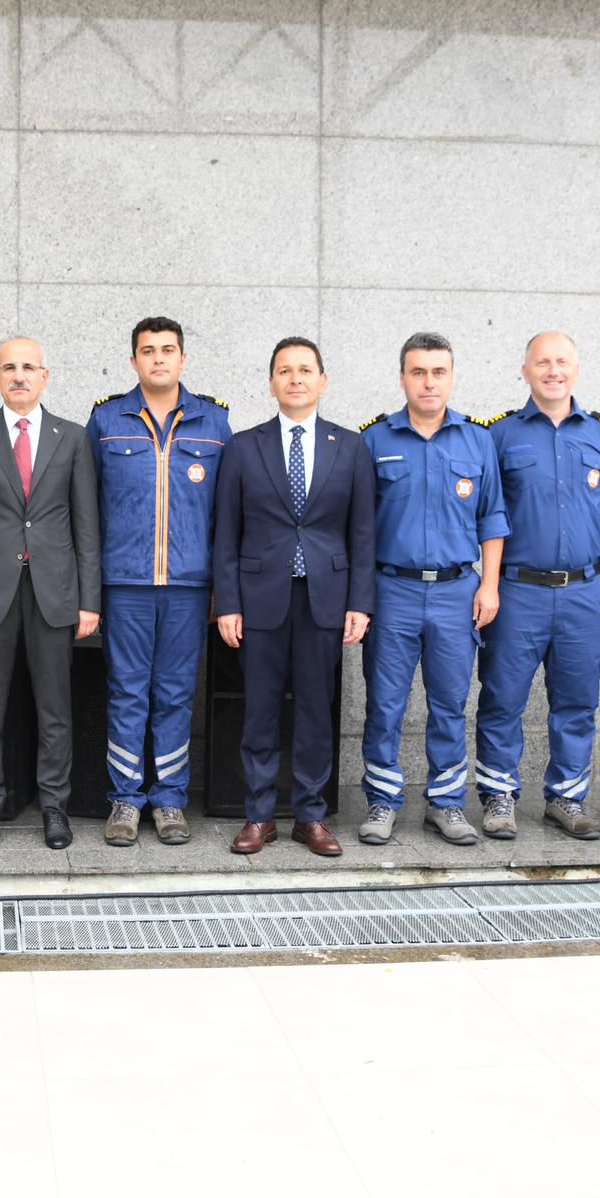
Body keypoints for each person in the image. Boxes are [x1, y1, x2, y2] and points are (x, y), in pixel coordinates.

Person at [213, 336, 375, 859]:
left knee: (315, 710)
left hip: (325, 598)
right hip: (260, 598)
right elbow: (226, 532)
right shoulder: (244, 446)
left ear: (323, 381)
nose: (296, 378)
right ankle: (259, 815)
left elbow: (363, 532)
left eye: (306, 369)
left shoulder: (349, 447)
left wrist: (360, 602)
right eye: (285, 370)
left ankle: (311, 815)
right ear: (271, 383)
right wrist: (227, 603)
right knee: (259, 710)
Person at [0, 336, 102, 850]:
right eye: (9, 367)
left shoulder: (72, 438)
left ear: (45, 376)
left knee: (55, 709)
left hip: (54, 593)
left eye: (29, 367)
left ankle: (54, 806)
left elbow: (86, 525)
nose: (19, 375)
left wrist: (90, 600)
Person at [87, 316, 232, 847]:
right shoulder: (107, 420)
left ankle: (169, 798)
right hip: (125, 584)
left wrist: (222, 590)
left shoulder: (214, 423)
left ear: (183, 358)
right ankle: (126, 799)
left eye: (168, 350)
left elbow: (226, 515)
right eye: (148, 351)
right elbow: (87, 510)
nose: (158, 359)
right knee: (127, 692)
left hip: (189, 587)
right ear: (134, 361)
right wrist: (90, 588)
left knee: (174, 694)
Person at [357, 332, 506, 847]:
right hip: (392, 591)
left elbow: (492, 518)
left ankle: (446, 803)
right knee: (385, 704)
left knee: (449, 704)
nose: (428, 382)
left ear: (452, 376)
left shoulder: (477, 440)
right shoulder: (375, 440)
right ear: (402, 378)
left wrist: (489, 586)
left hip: (456, 592)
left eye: (438, 372)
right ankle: (382, 800)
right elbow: (359, 528)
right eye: (418, 372)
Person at [473, 331, 600, 841]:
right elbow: (488, 512)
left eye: (562, 362)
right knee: (502, 697)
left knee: (578, 701)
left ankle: (567, 797)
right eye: (542, 362)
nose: (553, 371)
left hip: (584, 592)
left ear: (576, 369)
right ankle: (499, 796)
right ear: (525, 371)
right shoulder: (500, 435)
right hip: (519, 591)